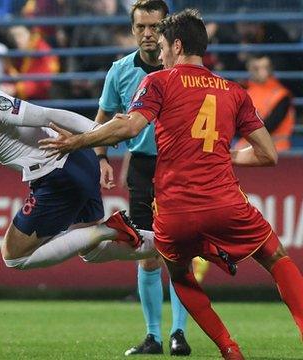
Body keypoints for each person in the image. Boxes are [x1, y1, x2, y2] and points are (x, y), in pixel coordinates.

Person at [39, 9, 303, 360]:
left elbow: (130, 127)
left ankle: (229, 349)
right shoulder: (233, 91)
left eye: (163, 46)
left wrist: (76, 142)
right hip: (225, 203)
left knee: (178, 273)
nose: (159, 54)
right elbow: (268, 154)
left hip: (174, 211)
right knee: (276, 257)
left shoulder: (159, 82)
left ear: (177, 46)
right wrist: (225, 154)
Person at [0, 48, 160, 278]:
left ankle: (108, 229)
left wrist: (96, 132)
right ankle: (167, 243)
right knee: (92, 251)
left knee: (14, 256)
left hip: (59, 168)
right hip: (73, 164)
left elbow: (47, 115)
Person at [93, 0, 190, 356]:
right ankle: (154, 336)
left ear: (167, 29)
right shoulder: (120, 71)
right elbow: (102, 118)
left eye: (154, 26)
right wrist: (101, 156)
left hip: (180, 166)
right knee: (146, 253)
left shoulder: (185, 70)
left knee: (178, 252)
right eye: (141, 27)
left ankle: (179, 333)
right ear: (132, 29)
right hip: (143, 167)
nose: (148, 34)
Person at [234, 54, 295, 152]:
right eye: (256, 68)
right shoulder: (245, 91)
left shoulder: (281, 95)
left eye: (265, 67)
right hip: (246, 148)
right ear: (249, 69)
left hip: (276, 150)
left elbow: (269, 126)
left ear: (271, 69)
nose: (261, 72)